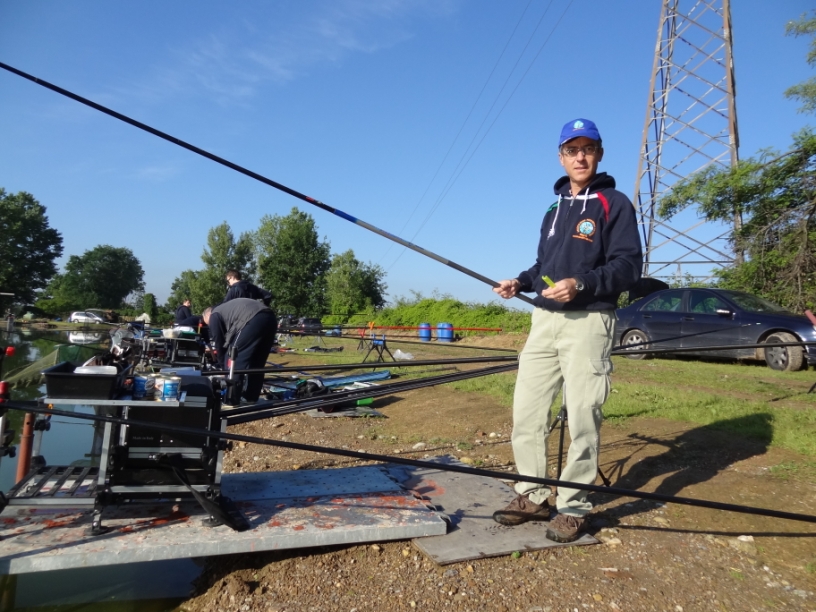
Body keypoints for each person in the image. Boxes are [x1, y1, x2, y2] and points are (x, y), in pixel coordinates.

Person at [491, 118, 642, 543]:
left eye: (587, 149)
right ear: (560, 157)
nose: (580, 157)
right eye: (572, 150)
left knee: (583, 416)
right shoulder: (553, 209)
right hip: (544, 321)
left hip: (589, 321)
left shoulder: (614, 203)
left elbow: (629, 266)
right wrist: (520, 282)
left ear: (599, 154)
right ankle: (533, 494)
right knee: (527, 412)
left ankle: (573, 507)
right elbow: (545, 266)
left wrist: (583, 284)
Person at [202, 298, 277, 406]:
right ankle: (251, 397)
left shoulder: (214, 315)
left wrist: (224, 369)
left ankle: (231, 400)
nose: (210, 326)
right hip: (270, 317)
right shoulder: (226, 309)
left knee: (233, 357)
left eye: (208, 324)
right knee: (257, 362)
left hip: (252, 318)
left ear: (208, 315)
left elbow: (219, 345)